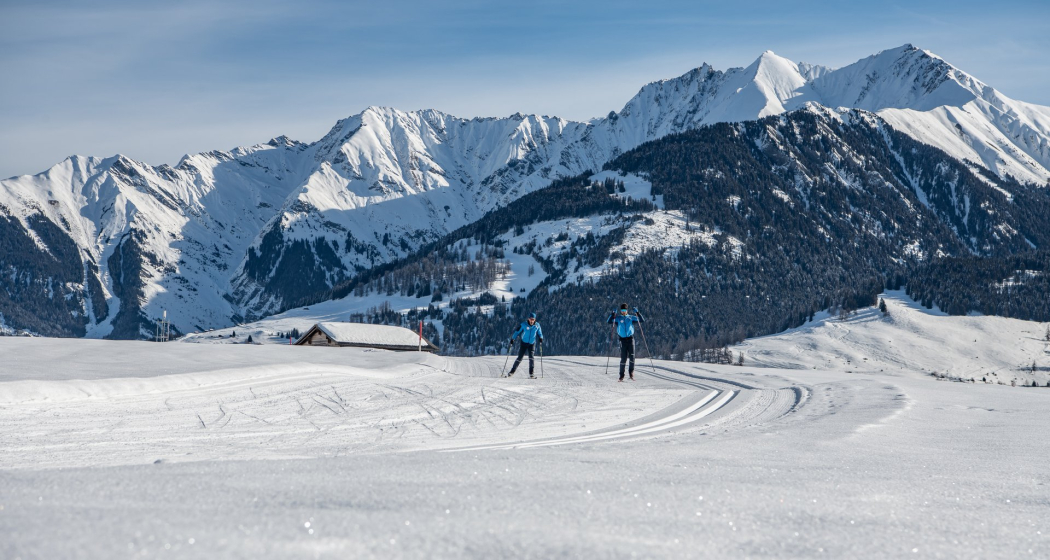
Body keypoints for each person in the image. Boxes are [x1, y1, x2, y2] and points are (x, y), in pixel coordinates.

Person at [608, 303, 644, 381]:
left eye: (625, 310)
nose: (623, 311)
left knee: (632, 357)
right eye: (622, 310)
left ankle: (631, 373)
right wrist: (612, 314)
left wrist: (637, 313)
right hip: (622, 340)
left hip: (630, 339)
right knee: (623, 358)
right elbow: (609, 321)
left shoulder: (631, 317)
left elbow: (641, 320)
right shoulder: (618, 318)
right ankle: (621, 375)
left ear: (627, 310)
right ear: (621, 311)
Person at [508, 313, 543, 378]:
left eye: (533, 319)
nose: (531, 321)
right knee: (520, 358)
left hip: (532, 344)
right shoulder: (523, 324)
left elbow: (540, 333)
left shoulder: (537, 325)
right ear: (528, 319)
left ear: (535, 320)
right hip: (524, 343)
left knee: (531, 358)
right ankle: (512, 372)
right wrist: (513, 339)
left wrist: (541, 338)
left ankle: (531, 373)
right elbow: (517, 332)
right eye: (530, 319)